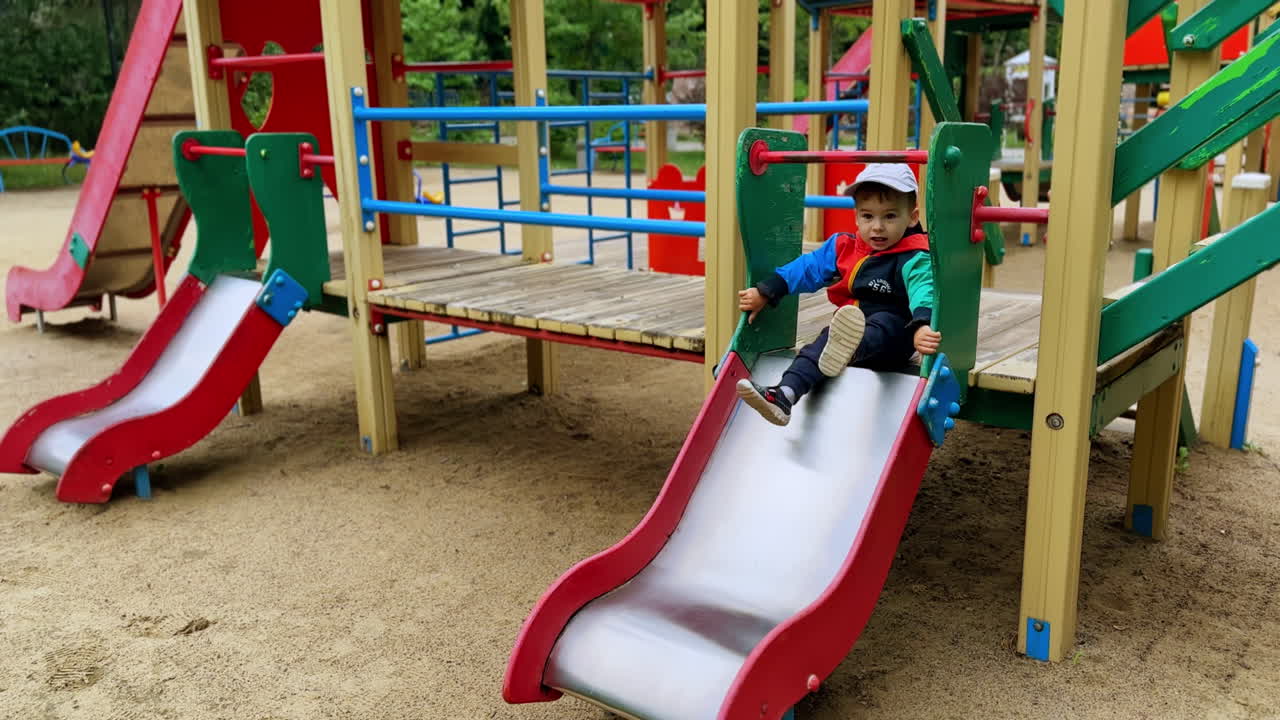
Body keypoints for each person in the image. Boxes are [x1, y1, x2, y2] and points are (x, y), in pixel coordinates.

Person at [735, 163, 942, 426]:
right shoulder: (845, 246)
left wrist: (922, 326)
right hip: (848, 330)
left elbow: (924, 290)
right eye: (868, 217)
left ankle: (847, 347)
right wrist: (767, 290)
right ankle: (784, 395)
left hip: (895, 336)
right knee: (823, 342)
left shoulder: (915, 256)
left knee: (879, 325)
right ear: (856, 217)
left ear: (912, 217)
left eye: (890, 216)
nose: (877, 227)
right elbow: (807, 268)